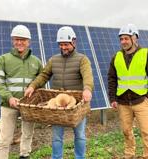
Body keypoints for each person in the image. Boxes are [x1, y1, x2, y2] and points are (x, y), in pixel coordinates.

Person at [24, 26, 94, 159]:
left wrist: (87, 89)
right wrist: (32, 86)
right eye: (61, 44)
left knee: (79, 135)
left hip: (76, 105)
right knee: (57, 137)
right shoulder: (54, 59)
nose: (63, 47)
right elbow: (44, 75)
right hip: (57, 104)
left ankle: (80, 157)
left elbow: (87, 76)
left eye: (66, 44)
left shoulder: (82, 59)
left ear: (74, 42)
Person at [0, 25, 43, 159]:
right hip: (9, 105)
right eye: (16, 39)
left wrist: (33, 86)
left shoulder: (36, 61)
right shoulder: (3, 59)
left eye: (23, 40)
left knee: (27, 134)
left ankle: (24, 155)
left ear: (29, 41)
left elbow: (41, 80)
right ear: (12, 40)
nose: (19, 42)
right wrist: (9, 97)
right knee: (4, 139)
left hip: (29, 106)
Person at [108, 24, 148, 159]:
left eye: (126, 38)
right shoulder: (116, 56)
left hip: (141, 100)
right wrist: (112, 98)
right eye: (121, 39)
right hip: (123, 102)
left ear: (135, 38)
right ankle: (129, 155)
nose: (123, 42)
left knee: (146, 132)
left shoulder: (145, 54)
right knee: (126, 131)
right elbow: (112, 78)